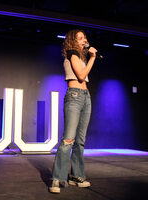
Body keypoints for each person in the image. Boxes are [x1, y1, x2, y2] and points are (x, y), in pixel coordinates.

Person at [49, 29, 97, 194]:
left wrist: (89, 57)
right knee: (68, 139)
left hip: (86, 97)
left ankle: (76, 176)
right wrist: (93, 57)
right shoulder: (72, 53)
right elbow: (81, 76)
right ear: (73, 41)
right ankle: (57, 177)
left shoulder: (80, 56)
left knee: (80, 141)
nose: (84, 41)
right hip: (75, 96)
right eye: (81, 38)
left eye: (85, 38)